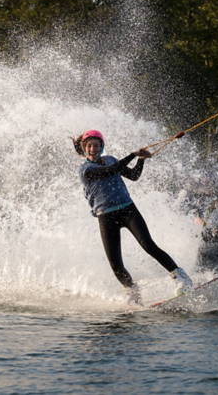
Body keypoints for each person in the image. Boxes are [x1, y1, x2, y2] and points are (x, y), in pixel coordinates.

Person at [73, 130, 193, 306]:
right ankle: (132, 291)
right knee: (115, 264)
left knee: (148, 244)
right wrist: (133, 154)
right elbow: (109, 171)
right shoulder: (85, 170)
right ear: (84, 149)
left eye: (96, 145)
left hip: (128, 209)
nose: (93, 148)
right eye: (89, 146)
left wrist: (141, 160)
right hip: (105, 216)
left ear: (101, 147)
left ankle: (180, 276)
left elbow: (134, 176)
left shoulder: (112, 159)